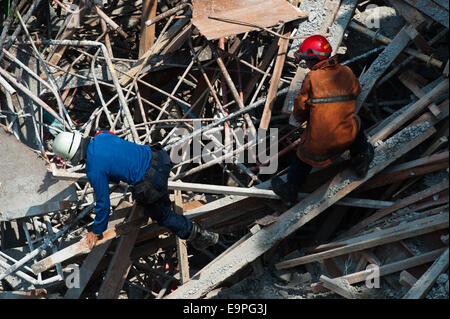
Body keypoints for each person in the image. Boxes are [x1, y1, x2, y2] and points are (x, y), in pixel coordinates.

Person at [52, 130, 219, 250]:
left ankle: (200, 235)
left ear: (73, 156)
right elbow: (117, 155)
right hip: (159, 157)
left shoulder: (93, 168)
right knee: (143, 196)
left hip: (152, 181)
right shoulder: (101, 135)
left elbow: (103, 204)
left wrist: (96, 231)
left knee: (164, 217)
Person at [271, 35, 374, 206]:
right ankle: (361, 159)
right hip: (345, 139)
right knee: (355, 123)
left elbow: (300, 109)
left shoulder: (312, 78)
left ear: (312, 59)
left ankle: (290, 191)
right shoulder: (347, 72)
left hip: (320, 148)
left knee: (302, 157)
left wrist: (301, 117)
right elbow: (356, 91)